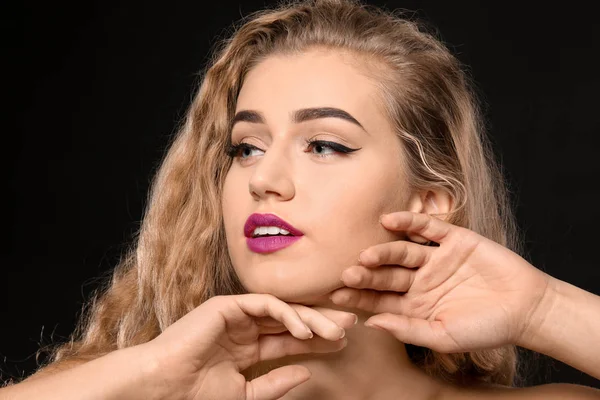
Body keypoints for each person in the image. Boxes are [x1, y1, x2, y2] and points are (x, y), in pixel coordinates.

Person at [2, 0, 600, 398]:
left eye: (324, 145)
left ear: (428, 202)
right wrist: (150, 375)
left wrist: (545, 309)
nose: (266, 179)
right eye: (246, 148)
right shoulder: (126, 389)